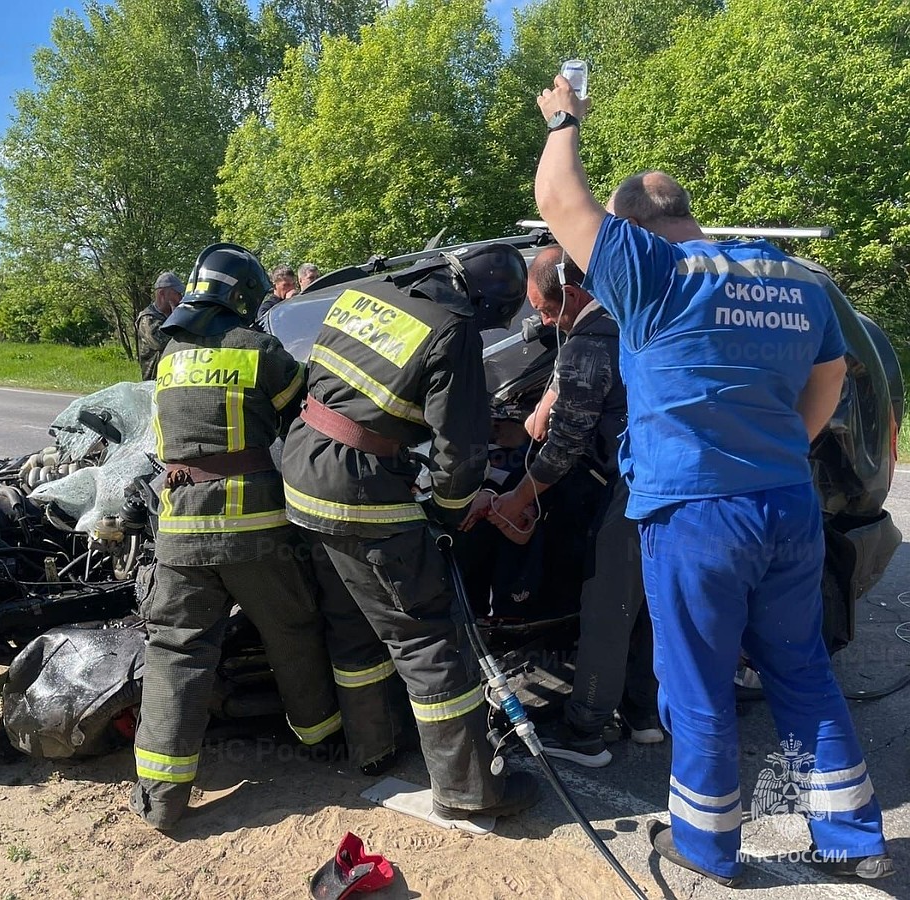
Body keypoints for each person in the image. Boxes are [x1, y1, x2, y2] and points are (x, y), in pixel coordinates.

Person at [532, 76, 891, 884]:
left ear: (627, 227)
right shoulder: (793, 277)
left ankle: (703, 844)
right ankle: (852, 837)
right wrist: (780, 447)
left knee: (695, 683)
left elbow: (556, 196)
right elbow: (831, 376)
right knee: (799, 668)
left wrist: (565, 115)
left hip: (696, 513)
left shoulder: (651, 272)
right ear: (690, 209)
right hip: (786, 505)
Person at [281, 242, 541, 823]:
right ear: (482, 302)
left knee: (355, 622)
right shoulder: (452, 331)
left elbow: (357, 392)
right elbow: (463, 453)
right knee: (429, 635)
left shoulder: (366, 293)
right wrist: (449, 515)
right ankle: (469, 790)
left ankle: (374, 748)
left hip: (303, 470)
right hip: (359, 491)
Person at [130, 243, 341, 831]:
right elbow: (301, 413)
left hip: (177, 528)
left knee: (176, 649)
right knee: (292, 630)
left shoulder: (169, 353)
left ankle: (161, 797)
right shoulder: (256, 348)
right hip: (253, 530)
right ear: (245, 299)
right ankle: (321, 741)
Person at [467, 246, 660, 768]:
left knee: (607, 612)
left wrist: (517, 496)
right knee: (644, 609)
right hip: (667, 480)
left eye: (547, 312)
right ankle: (644, 716)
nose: (543, 321)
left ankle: (585, 736)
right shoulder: (635, 318)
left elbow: (562, 449)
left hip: (635, 487)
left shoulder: (588, 344)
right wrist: (550, 392)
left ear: (572, 296)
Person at [135, 272, 184, 380]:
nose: (181, 298)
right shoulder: (147, 318)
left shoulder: (172, 315)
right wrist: (176, 320)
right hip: (154, 382)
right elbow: (159, 343)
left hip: (173, 379)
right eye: (177, 294)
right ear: (162, 293)